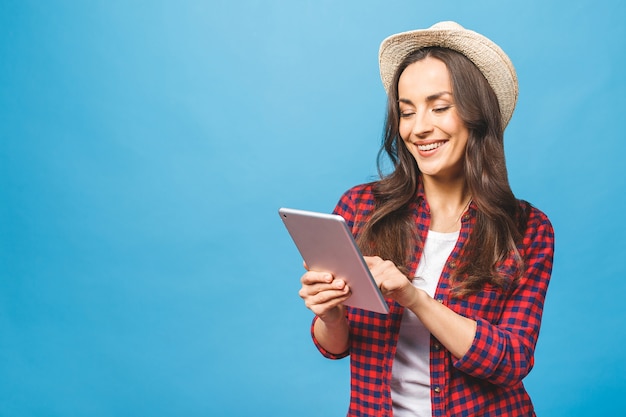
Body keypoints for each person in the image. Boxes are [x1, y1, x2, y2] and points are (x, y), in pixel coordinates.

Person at [298, 21, 555, 417]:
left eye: (439, 107)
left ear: (476, 116)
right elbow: (335, 347)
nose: (419, 128)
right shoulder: (359, 209)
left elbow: (512, 361)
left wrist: (413, 297)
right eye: (406, 112)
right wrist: (330, 314)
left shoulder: (526, 229)